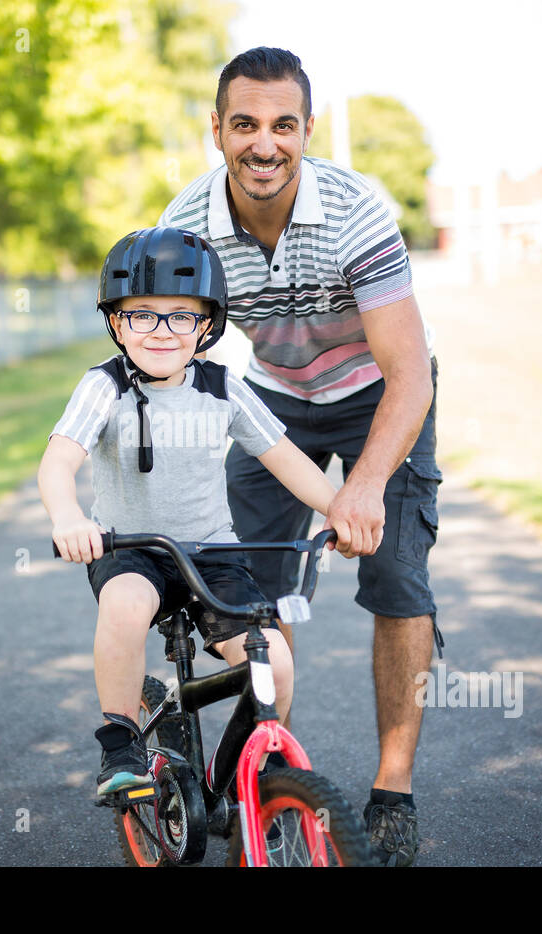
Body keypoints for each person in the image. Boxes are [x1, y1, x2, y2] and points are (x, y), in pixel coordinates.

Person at [158, 47, 441, 866]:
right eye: (244, 124)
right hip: (277, 396)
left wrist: (364, 486)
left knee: (396, 578)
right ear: (216, 131)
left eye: (284, 125)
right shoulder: (185, 228)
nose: (264, 143)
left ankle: (392, 790)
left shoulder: (354, 212)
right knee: (249, 585)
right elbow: (172, 359)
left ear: (307, 130)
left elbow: (409, 373)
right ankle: (272, 767)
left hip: (381, 394)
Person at [37, 226, 342, 801]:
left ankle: (253, 777)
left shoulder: (224, 387)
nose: (161, 331)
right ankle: (122, 745)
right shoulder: (103, 387)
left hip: (213, 552)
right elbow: (58, 462)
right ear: (117, 321)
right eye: (142, 315)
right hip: (130, 550)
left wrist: (339, 510)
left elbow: (285, 459)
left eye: (181, 316)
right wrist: (67, 517)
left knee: (273, 659)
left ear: (206, 325)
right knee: (124, 608)